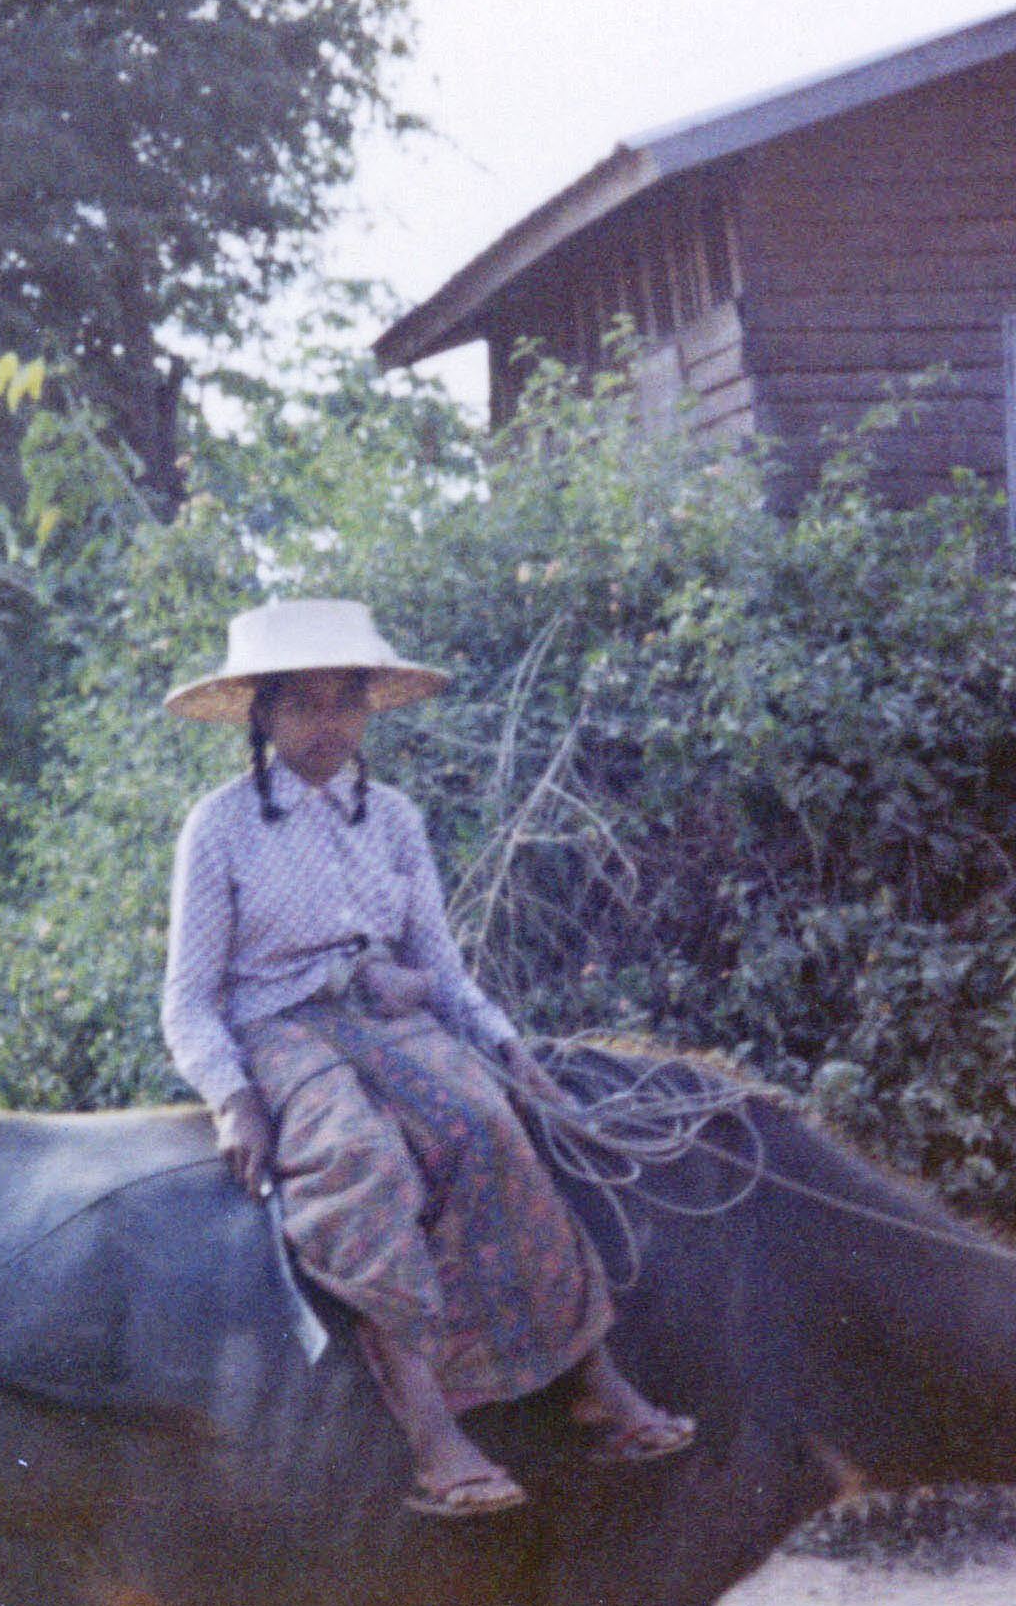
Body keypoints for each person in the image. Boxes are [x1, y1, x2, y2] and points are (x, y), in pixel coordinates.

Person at [160, 597, 694, 1517]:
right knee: (359, 1164)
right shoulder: (221, 827)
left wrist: (503, 1044)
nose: (324, 727)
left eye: (344, 704)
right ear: (263, 716)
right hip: (282, 1031)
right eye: (300, 706)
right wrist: (230, 1094)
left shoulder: (394, 818)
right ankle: (430, 1434)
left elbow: (440, 968)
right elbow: (188, 997)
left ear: (369, 710)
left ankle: (591, 1382)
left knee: (489, 1123)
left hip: (388, 1016)